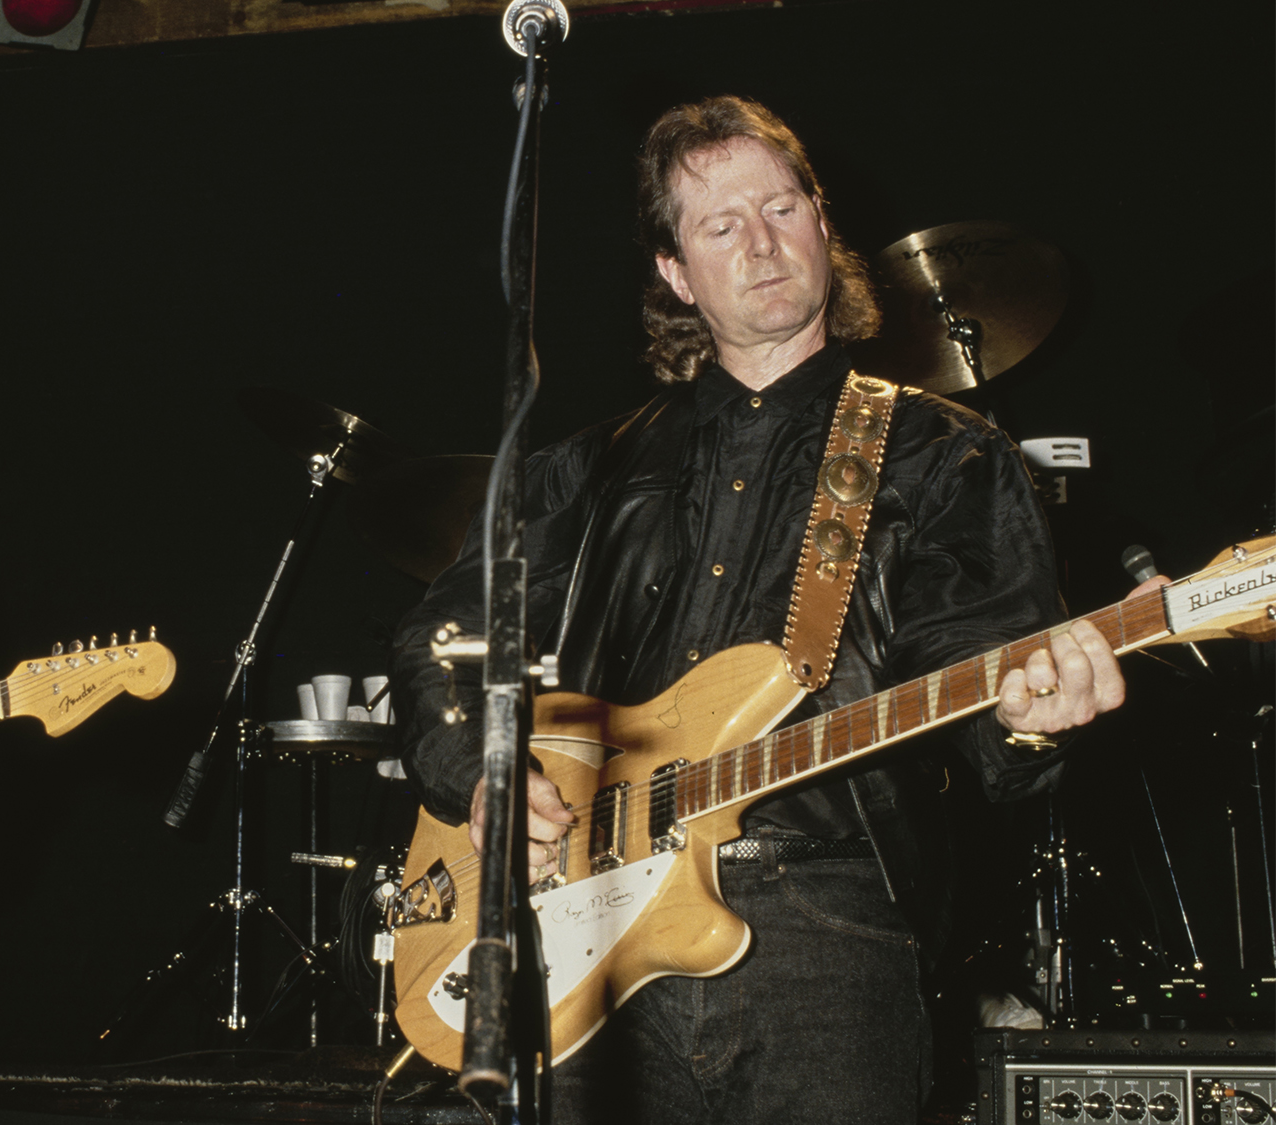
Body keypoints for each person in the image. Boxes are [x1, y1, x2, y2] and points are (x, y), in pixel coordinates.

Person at [392, 96, 1150, 1122]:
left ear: (820, 222)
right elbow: (439, 638)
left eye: (781, 207)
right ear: (672, 272)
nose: (760, 242)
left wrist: (1023, 721)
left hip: (824, 931)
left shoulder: (944, 456)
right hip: (576, 942)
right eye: (719, 225)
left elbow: (983, 672)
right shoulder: (590, 469)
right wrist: (477, 776)